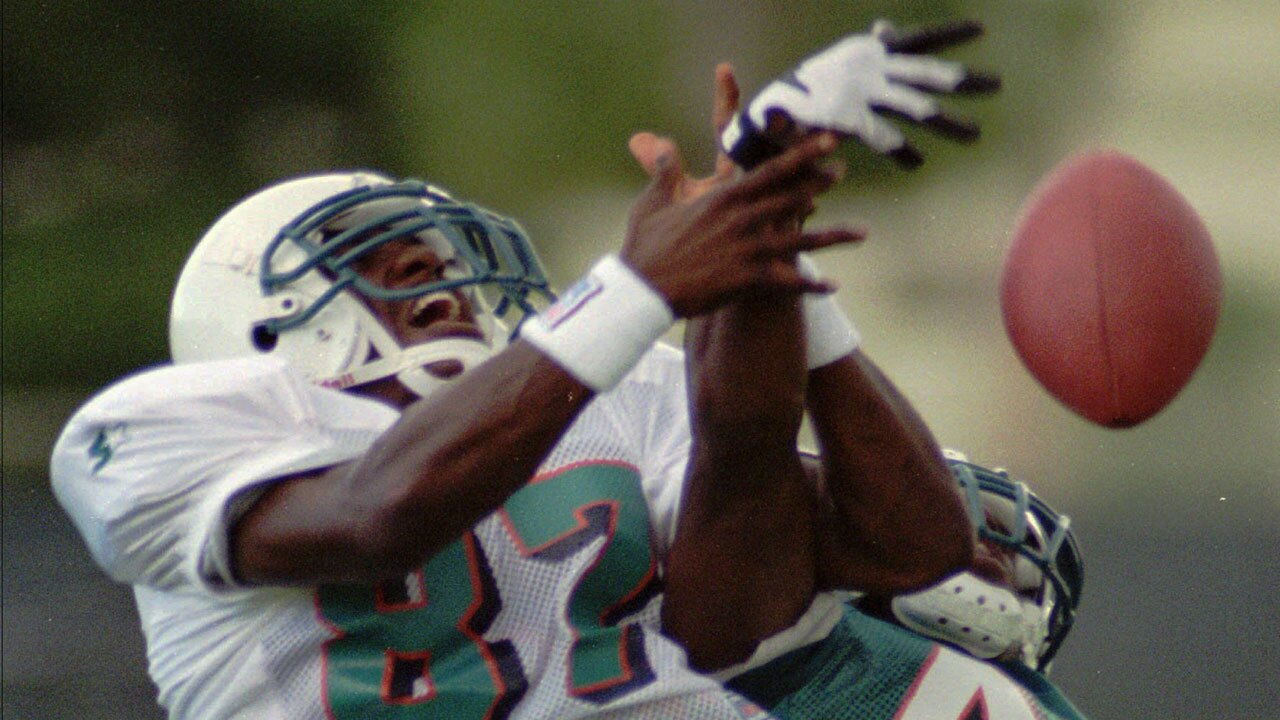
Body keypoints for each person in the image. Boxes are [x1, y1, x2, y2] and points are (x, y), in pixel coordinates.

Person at [48, 19, 993, 719]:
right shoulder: (159, 433)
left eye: (429, 242)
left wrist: (766, 231)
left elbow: (888, 546)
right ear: (250, 323)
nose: (426, 263)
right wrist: (632, 289)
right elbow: (380, 514)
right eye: (358, 251)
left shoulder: (613, 393)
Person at [721, 454, 1091, 720]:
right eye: (951, 521)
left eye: (1008, 549)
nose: (987, 550)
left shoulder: (1041, 703)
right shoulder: (787, 637)